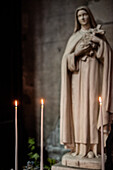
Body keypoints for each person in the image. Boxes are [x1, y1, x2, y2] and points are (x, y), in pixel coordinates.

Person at [60, 6, 113, 158]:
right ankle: (80, 147)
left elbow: (108, 55)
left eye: (85, 15)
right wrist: (77, 53)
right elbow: (65, 60)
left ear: (89, 16)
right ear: (77, 19)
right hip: (77, 80)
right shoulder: (74, 38)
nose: (83, 18)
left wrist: (96, 42)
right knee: (79, 111)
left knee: (93, 107)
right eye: (79, 16)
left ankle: (94, 148)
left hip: (94, 75)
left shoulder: (98, 34)